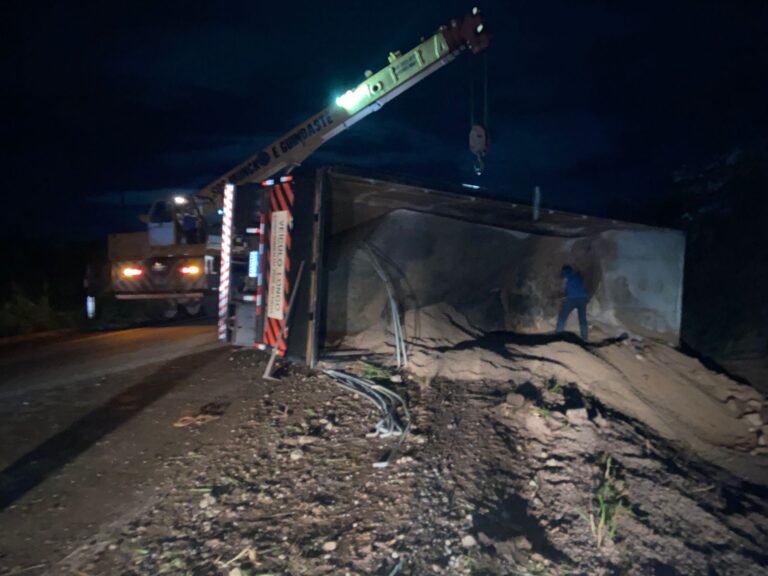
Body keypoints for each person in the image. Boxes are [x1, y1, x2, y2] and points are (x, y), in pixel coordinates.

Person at [556, 265, 589, 340]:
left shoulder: (566, 276)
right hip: (583, 298)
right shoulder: (578, 276)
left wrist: (563, 296)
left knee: (562, 316)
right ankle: (584, 337)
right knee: (582, 318)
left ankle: (558, 334)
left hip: (572, 299)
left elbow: (563, 283)